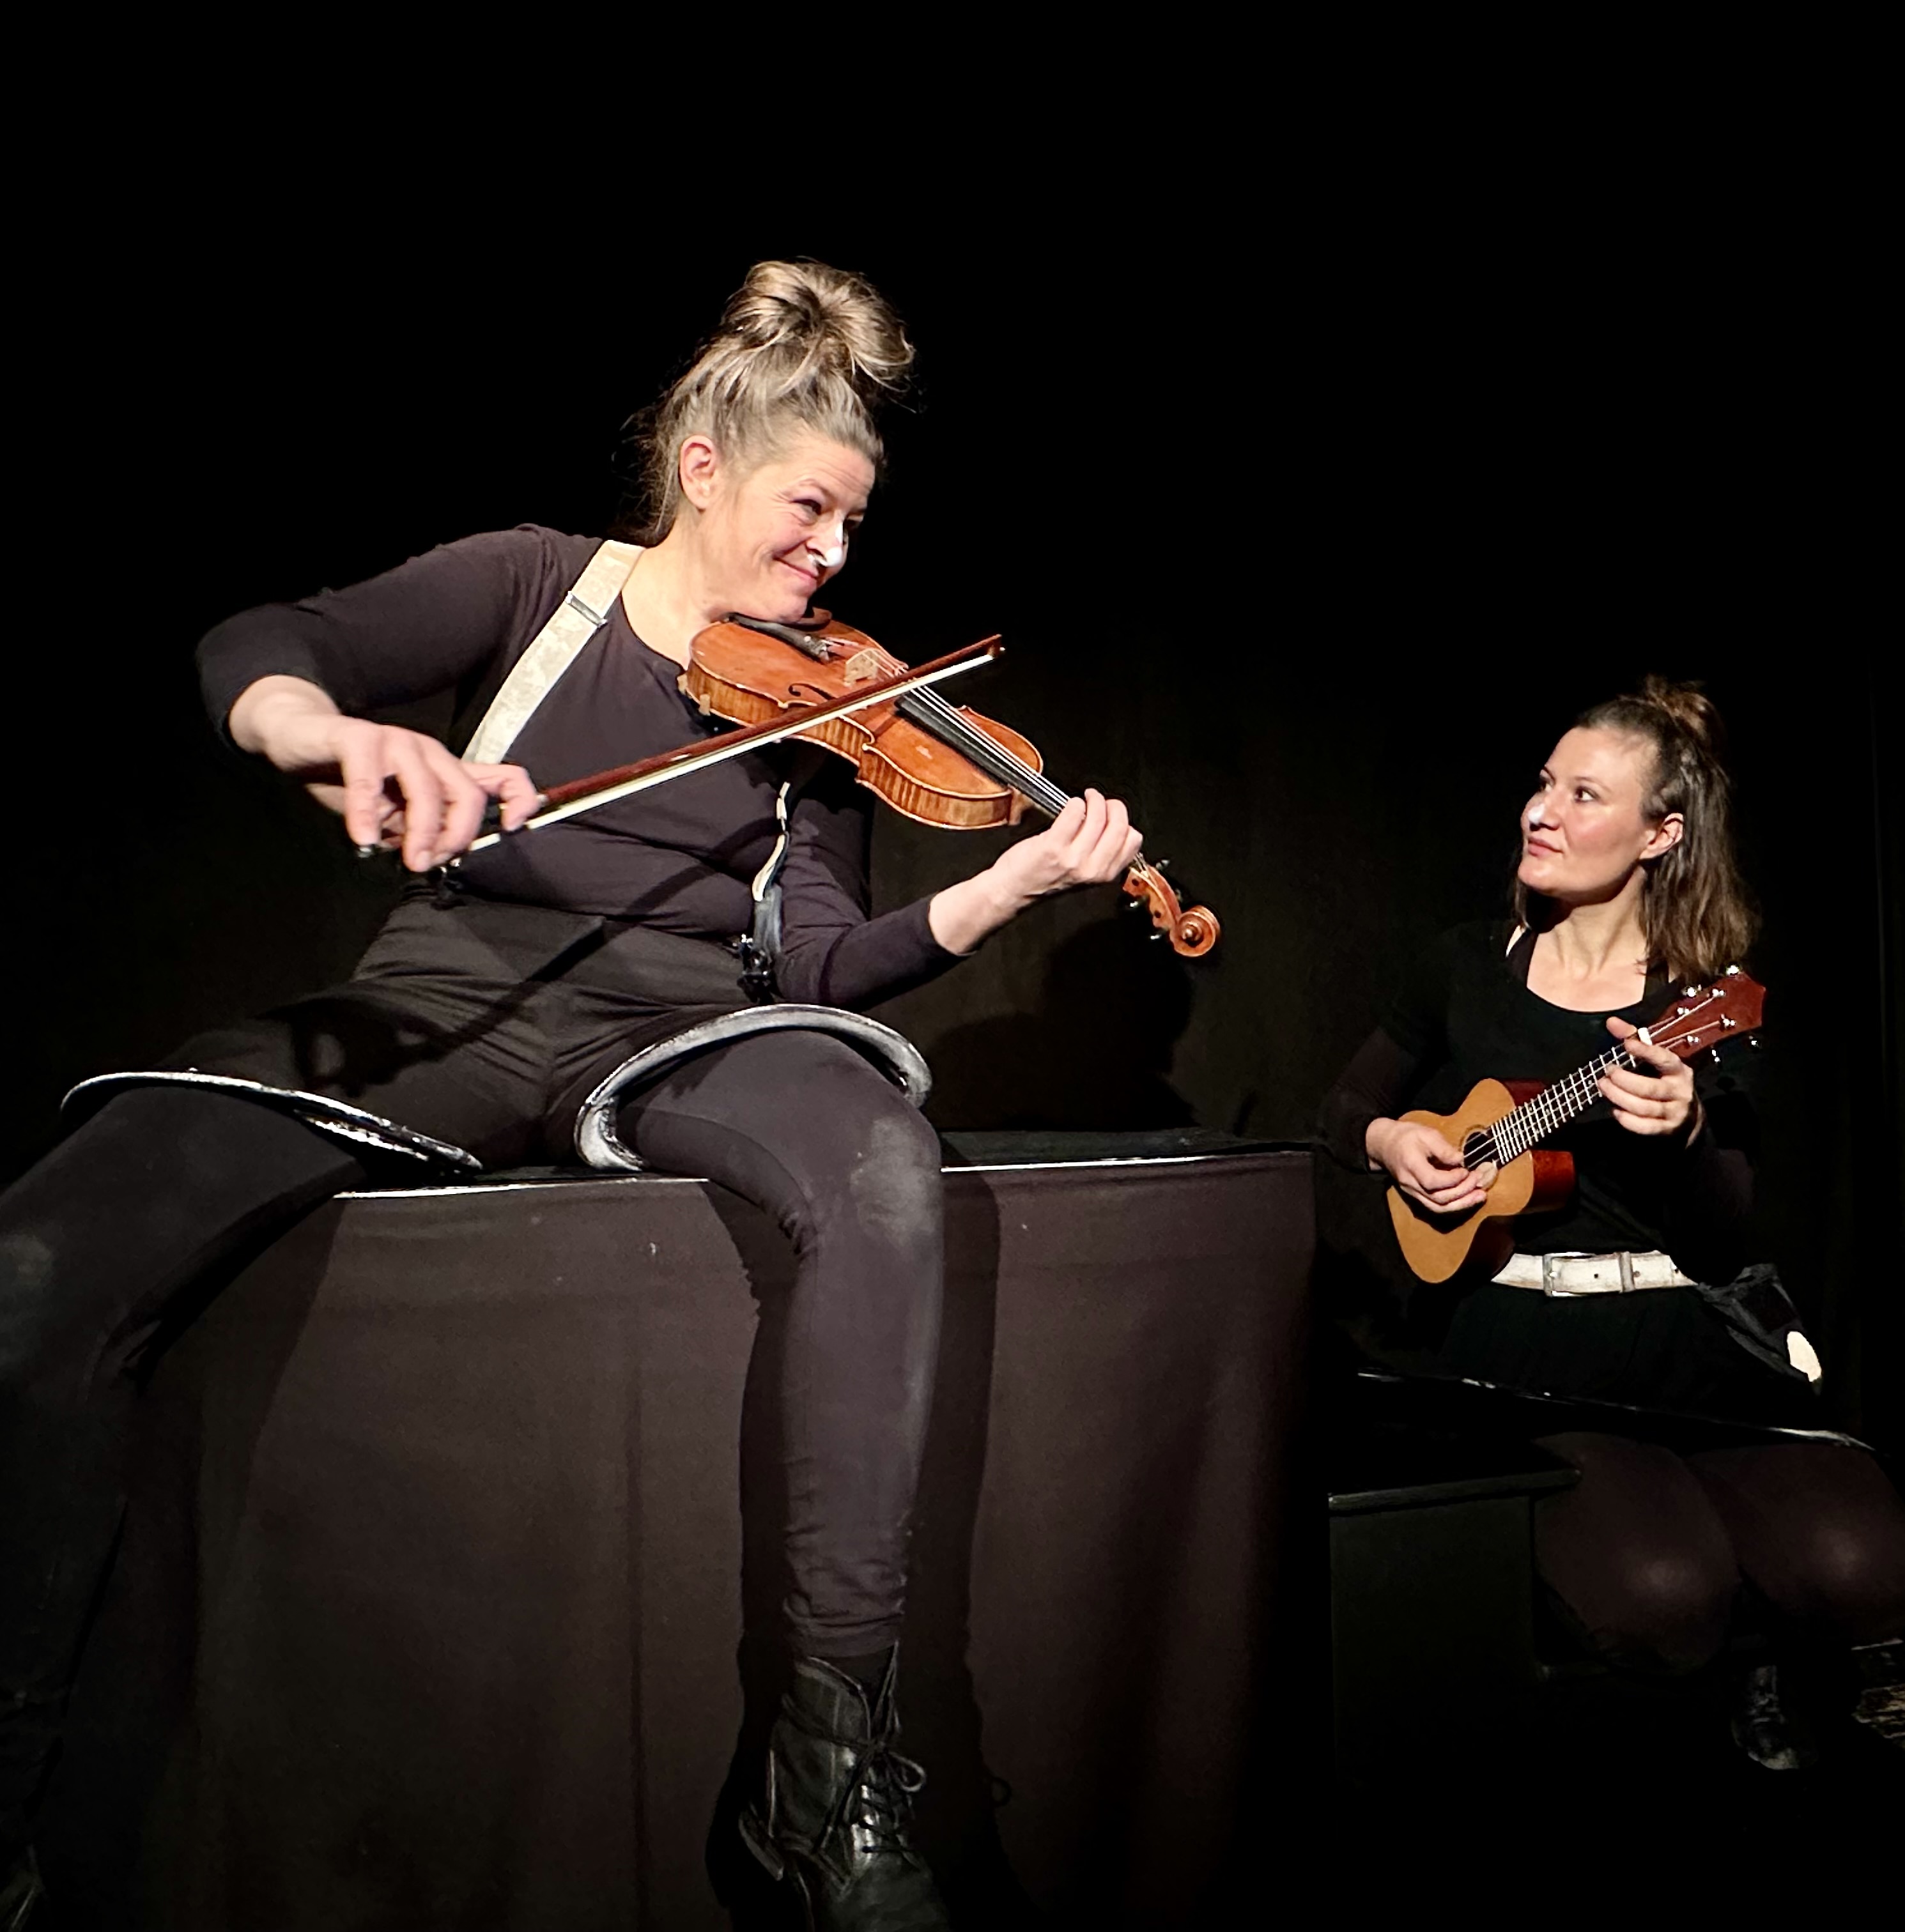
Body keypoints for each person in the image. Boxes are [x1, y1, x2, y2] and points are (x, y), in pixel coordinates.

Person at [0, 259, 1136, 1930]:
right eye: (810, 510)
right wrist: (326, 738)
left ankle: (823, 1771)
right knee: (43, 1249)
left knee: (883, 1166)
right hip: (444, 1000)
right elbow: (270, 643)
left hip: (685, 1025)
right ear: (703, 468)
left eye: (852, 525)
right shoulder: (537, 579)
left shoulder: (832, 703)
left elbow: (823, 964)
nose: (835, 556)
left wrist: (999, 893)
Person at [1318, 677, 1905, 1768]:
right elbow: (1344, 1109)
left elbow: (1725, 1232)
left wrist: (1687, 1132)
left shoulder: (1701, 1002)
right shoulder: (1464, 963)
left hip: (1683, 1340)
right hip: (1523, 1350)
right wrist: (1393, 1142)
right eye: (1544, 784)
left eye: (1583, 796)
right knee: (1661, 1593)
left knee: (1864, 1569)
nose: (1539, 812)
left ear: (1662, 835)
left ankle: (1771, 1668)